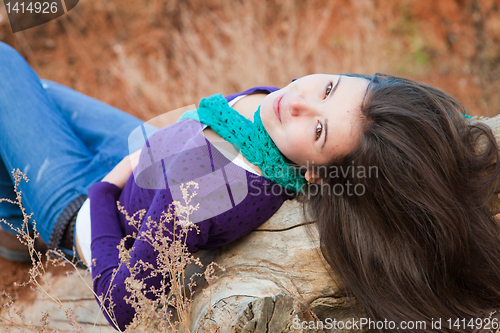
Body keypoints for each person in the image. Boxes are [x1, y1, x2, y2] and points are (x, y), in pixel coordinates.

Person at [1, 40, 500, 333]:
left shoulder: (215, 196)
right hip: (143, 147)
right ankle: (10, 220)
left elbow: (121, 302)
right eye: (329, 87)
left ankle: (28, 221)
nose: (300, 102)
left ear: (319, 173)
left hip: (89, 202)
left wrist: (102, 192)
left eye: (320, 130)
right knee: (32, 91)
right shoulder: (270, 129)